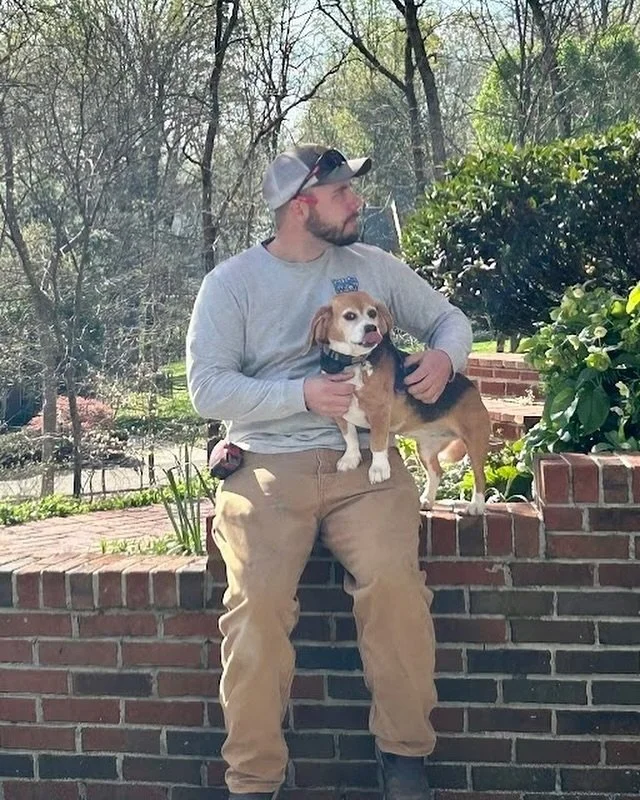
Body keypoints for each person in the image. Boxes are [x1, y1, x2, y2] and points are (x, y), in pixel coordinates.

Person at [186, 144, 473, 800]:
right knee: (255, 605)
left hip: (367, 469)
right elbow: (207, 388)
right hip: (266, 466)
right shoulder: (232, 284)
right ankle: (255, 782)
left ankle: (405, 762)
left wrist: (446, 359)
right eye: (344, 192)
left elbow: (449, 320)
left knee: (395, 585)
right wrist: (300, 397)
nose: (358, 202)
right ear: (301, 205)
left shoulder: (371, 266)